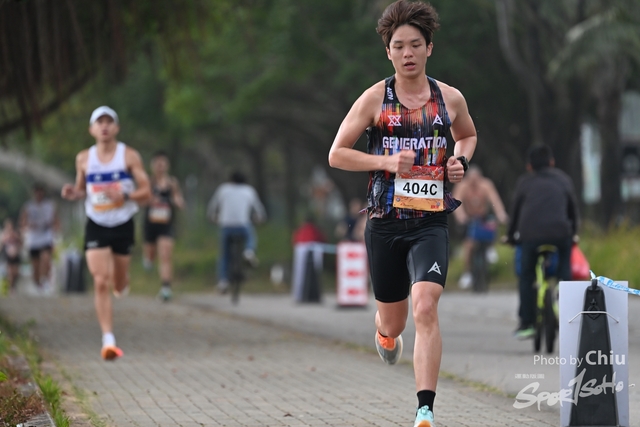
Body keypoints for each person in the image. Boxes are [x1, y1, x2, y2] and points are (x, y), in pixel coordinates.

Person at [328, 2, 477, 426]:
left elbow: (467, 135)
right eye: (399, 46)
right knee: (395, 324)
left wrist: (460, 162)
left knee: (425, 307)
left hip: (430, 220)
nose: (407, 53)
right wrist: (386, 163)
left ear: (429, 48)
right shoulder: (375, 98)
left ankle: (424, 408)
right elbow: (337, 154)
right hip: (385, 222)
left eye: (415, 44)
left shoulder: (449, 98)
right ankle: (383, 330)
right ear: (388, 52)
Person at [61, 106, 151, 360]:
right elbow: (82, 189)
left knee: (118, 284)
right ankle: (108, 340)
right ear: (91, 129)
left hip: (123, 222)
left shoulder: (129, 156)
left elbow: (146, 192)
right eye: (99, 122)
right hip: (96, 222)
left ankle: (123, 280)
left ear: (116, 128)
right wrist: (74, 193)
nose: (104, 126)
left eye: (109, 122)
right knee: (100, 280)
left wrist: (125, 196)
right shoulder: (84, 159)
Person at [506, 144, 579, 340]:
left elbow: (515, 213)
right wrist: (573, 233)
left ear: (529, 166)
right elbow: (572, 210)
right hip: (561, 234)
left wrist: (511, 236)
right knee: (565, 270)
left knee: (526, 276)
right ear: (552, 163)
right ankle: (568, 308)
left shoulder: (524, 182)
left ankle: (527, 323)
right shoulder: (564, 180)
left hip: (530, 236)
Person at [207, 171, 266, 293]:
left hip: (226, 226)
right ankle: (249, 251)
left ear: (231, 180)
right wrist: (259, 218)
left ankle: (223, 281)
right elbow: (259, 211)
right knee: (251, 235)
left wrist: (213, 217)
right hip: (242, 225)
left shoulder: (223, 189)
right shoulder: (249, 191)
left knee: (224, 255)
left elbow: (212, 207)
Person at [452, 165, 508, 289]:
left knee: (492, 223)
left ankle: (490, 247)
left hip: (483, 217)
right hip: (469, 219)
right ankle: (467, 272)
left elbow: (495, 201)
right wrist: (461, 217)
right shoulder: (462, 186)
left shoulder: (486, 185)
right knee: (468, 245)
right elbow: (456, 203)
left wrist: (501, 214)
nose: (474, 184)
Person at [142, 151, 184, 302]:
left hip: (166, 224)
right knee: (151, 255)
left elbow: (179, 199)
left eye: (163, 163)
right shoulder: (148, 181)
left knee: (165, 256)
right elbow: (140, 200)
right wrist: (150, 200)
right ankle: (148, 259)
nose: (160, 166)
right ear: (152, 165)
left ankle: (166, 288)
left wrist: (177, 202)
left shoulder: (172, 183)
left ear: (167, 165)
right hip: (150, 224)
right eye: (157, 163)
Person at [20, 183, 59, 292]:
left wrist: (55, 229)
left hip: (46, 237)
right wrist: (29, 226)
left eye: (41, 193)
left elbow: (56, 221)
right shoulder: (29, 207)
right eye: (37, 193)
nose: (39, 195)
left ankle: (44, 280)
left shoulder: (49, 206)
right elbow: (22, 223)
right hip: (34, 239)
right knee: (35, 266)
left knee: (46, 258)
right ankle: (37, 284)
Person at [0, 218, 22, 293]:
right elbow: (1, 244)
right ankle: (11, 288)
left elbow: (20, 243)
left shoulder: (16, 233)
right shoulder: (4, 234)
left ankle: (13, 285)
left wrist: (16, 237)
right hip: (7, 256)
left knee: (16, 272)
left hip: (15, 255)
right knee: (10, 272)